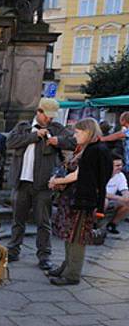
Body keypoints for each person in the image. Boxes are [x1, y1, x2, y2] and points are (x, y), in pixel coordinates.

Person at [6, 98, 76, 271]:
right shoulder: (23, 127)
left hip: (44, 184)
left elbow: (73, 143)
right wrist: (33, 136)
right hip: (22, 182)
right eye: (47, 116)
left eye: (52, 117)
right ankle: (13, 251)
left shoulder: (57, 128)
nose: (49, 120)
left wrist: (57, 141)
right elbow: (9, 142)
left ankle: (44, 256)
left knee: (43, 222)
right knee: (18, 220)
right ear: (39, 111)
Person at [48, 118, 112, 285]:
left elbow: (80, 175)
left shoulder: (95, 150)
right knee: (70, 236)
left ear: (87, 132)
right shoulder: (89, 148)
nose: (75, 136)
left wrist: (57, 182)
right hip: (76, 198)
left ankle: (72, 274)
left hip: (84, 200)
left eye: (77, 132)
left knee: (77, 238)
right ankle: (67, 266)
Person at [104, 157, 129, 234]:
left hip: (113, 199)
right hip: (100, 199)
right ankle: (94, 224)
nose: (120, 167)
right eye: (117, 165)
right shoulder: (101, 174)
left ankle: (112, 224)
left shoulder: (120, 175)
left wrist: (126, 196)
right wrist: (119, 197)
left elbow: (124, 189)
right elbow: (100, 193)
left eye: (121, 165)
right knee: (104, 201)